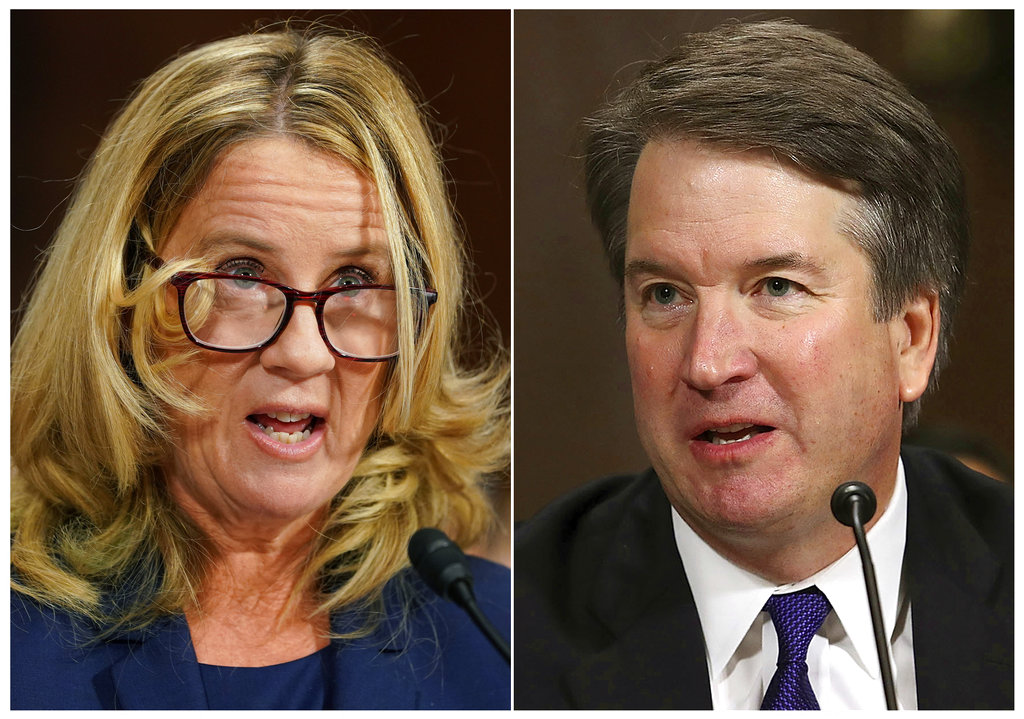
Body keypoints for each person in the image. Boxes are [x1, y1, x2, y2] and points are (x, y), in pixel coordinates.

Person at [515, 19, 1011, 710]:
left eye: (776, 287)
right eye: (664, 294)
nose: (709, 363)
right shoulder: (504, 630)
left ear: (911, 336)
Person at [11, 26, 510, 710]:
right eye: (244, 274)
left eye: (357, 280)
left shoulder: (496, 642)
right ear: (125, 300)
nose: (304, 351)